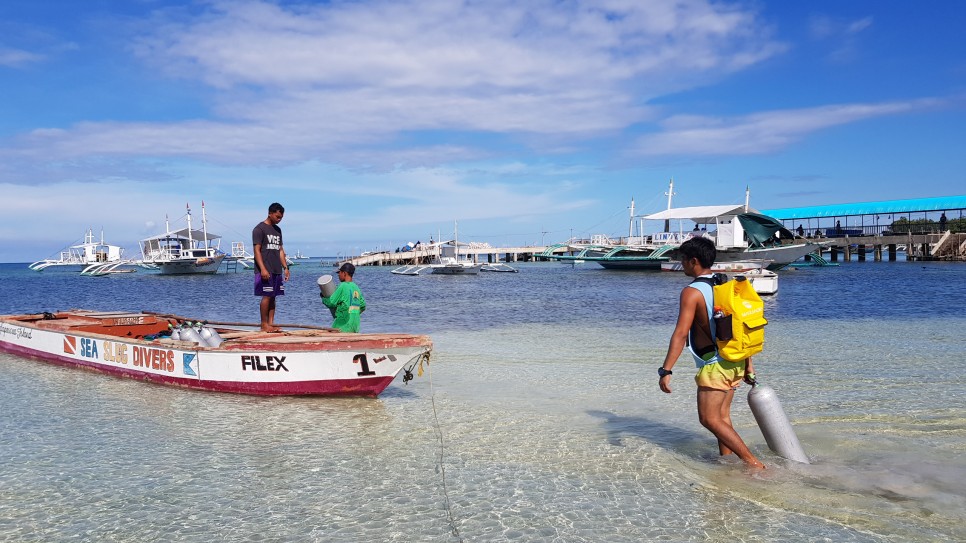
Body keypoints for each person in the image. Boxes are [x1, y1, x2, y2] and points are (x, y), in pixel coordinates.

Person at [657, 237, 764, 469]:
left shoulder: (692, 292)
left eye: (683, 260)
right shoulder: (723, 286)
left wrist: (666, 370)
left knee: (709, 418)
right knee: (722, 419)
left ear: (693, 261)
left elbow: (680, 334)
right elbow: (740, 328)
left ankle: (754, 465)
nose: (681, 265)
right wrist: (748, 365)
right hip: (734, 359)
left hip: (715, 365)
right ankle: (726, 464)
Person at [253, 203, 289, 332]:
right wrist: (262, 268)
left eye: (281, 217)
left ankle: (271, 324)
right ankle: (264, 325)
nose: (279, 219)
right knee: (266, 295)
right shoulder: (259, 229)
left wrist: (285, 267)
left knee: (274, 296)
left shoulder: (278, 230)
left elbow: (280, 250)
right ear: (270, 213)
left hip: (276, 269)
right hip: (264, 269)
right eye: (277, 216)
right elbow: (256, 250)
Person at [321, 262, 366, 332]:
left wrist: (324, 298)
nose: (338, 275)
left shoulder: (343, 286)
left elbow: (331, 303)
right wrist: (353, 314)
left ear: (344, 273)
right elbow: (363, 306)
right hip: (355, 327)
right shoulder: (355, 287)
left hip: (343, 327)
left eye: (339, 272)